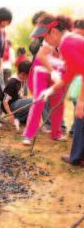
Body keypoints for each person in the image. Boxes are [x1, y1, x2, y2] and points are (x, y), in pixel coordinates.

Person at [36, 15, 84, 167]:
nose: (46, 41)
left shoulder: (67, 44)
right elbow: (70, 73)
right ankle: (78, 157)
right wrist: (51, 90)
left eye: (46, 36)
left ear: (55, 32)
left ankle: (77, 157)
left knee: (80, 119)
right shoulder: (69, 41)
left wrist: (82, 101)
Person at [22, 15, 69, 145]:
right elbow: (41, 55)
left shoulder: (66, 40)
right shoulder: (48, 42)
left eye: (46, 34)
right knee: (39, 102)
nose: (44, 38)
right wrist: (52, 71)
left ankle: (56, 133)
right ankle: (29, 134)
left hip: (57, 74)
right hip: (41, 73)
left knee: (59, 103)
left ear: (54, 32)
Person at [2, 61, 32, 127]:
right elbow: (5, 101)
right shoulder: (12, 82)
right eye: (23, 75)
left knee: (29, 105)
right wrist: (10, 114)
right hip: (9, 106)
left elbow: (17, 94)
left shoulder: (22, 80)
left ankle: (19, 119)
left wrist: (22, 98)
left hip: (15, 103)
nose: (25, 77)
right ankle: (16, 117)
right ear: (18, 71)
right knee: (32, 101)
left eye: (27, 75)